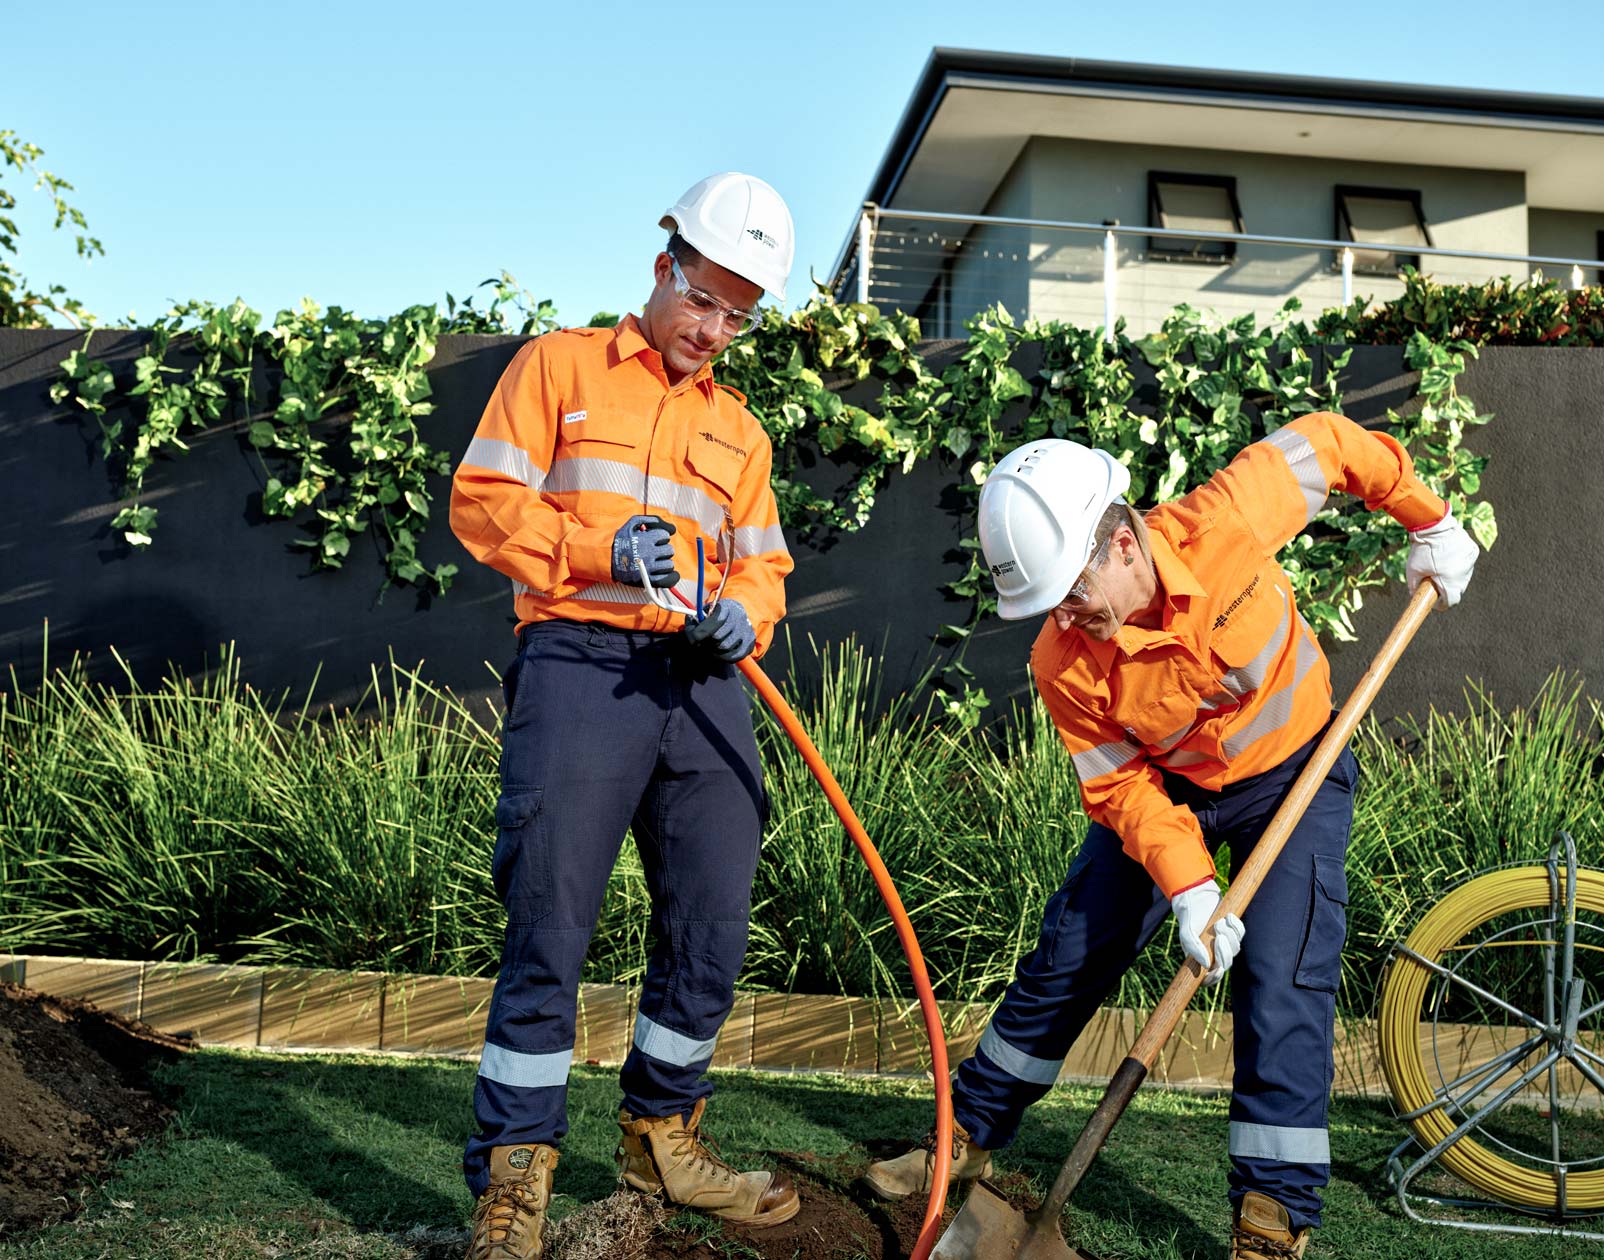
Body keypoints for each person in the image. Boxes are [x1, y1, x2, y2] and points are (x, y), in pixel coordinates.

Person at [864, 414, 1479, 1259]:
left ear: (1122, 543)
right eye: (1048, 606)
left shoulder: (1228, 520)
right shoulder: (1061, 659)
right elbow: (1118, 784)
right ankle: (963, 1139)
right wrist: (1189, 886)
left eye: (1071, 593)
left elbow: (1333, 446)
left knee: (1283, 982)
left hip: (1294, 769)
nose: (1066, 620)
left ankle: (1272, 1219)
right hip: (1169, 796)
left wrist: (1429, 520)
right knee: (1070, 952)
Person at [448, 172, 801, 1259]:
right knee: (550, 916)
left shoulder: (739, 431)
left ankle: (662, 1135)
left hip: (700, 686)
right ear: (664, 268)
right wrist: (597, 551)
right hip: (578, 665)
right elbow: (481, 502)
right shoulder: (555, 368)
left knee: (713, 913)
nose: (715, 331)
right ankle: (516, 1176)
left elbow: (767, 565)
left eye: (740, 316)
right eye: (705, 302)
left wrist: (744, 615)